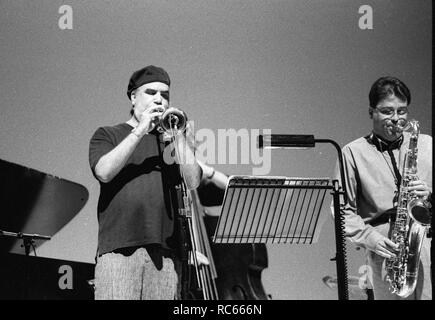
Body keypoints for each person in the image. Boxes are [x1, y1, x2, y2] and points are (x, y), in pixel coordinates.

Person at [88, 65, 202, 300]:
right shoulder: (108, 134)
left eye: (165, 95)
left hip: (166, 254)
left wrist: (180, 137)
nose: (159, 99)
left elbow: (193, 181)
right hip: (119, 251)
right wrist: (141, 130)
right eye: (151, 93)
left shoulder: (171, 142)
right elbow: (104, 171)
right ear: (133, 97)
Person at [333, 76, 432, 300]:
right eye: (387, 111)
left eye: (402, 111)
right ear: (371, 112)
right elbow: (342, 211)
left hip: (425, 242)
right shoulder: (352, 153)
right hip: (386, 248)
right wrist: (371, 238)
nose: (396, 119)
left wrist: (430, 195)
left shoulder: (427, 145)